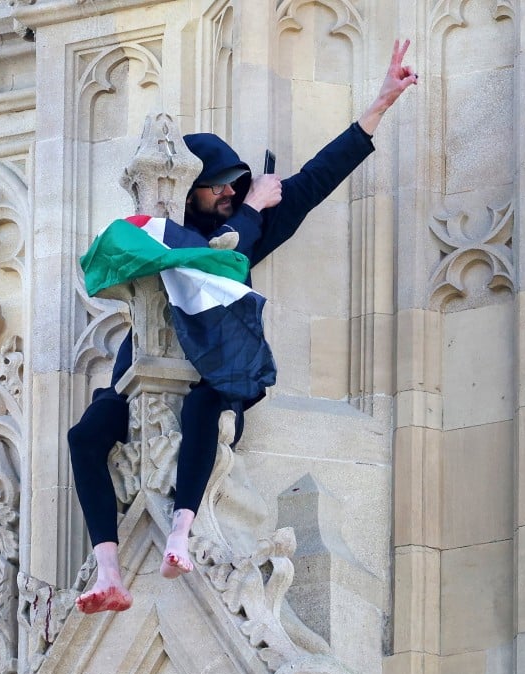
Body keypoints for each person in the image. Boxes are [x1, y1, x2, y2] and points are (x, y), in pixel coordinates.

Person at [69, 40, 419, 615]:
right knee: (86, 434)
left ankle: (179, 535)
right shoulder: (166, 234)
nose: (229, 190)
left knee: (208, 409)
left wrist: (378, 106)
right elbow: (199, 253)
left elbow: (312, 183)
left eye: (236, 180)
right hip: (142, 371)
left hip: (216, 367)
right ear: (189, 190)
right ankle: (109, 569)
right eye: (217, 183)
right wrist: (253, 208)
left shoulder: (242, 231)